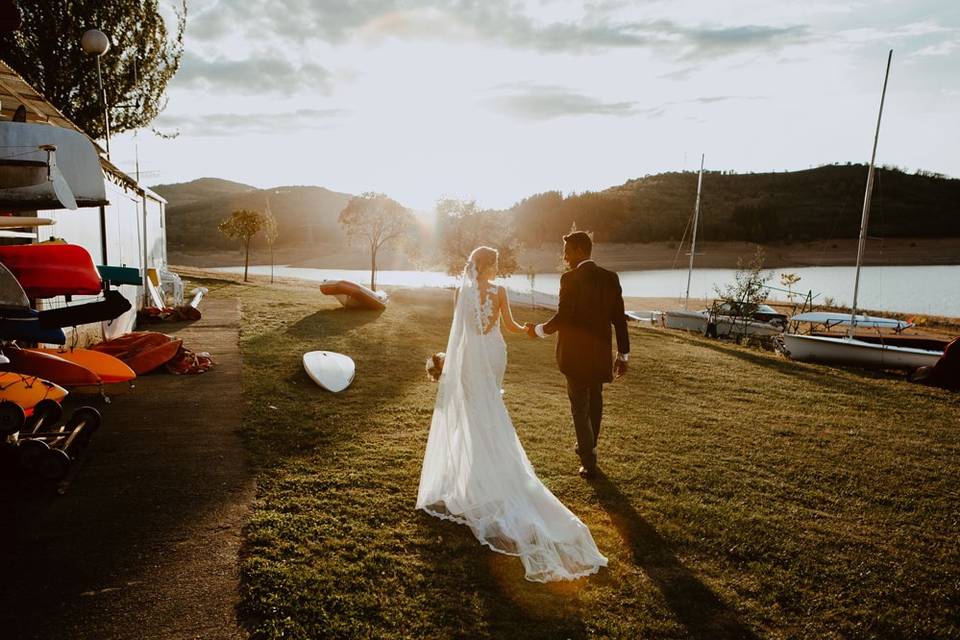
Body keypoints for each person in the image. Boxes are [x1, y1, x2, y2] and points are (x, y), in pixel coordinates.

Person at [417, 245, 608, 582]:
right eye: (496, 263)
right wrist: (532, 330)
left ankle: (475, 480)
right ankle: (489, 475)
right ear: (488, 266)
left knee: (475, 412)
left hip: (472, 358)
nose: (498, 268)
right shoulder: (501, 292)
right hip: (494, 354)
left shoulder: (461, 293)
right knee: (491, 407)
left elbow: (459, 333)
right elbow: (511, 325)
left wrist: (449, 362)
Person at [526, 231, 630, 479]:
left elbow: (564, 316)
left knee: (580, 408)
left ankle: (588, 459)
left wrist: (539, 331)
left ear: (580, 251)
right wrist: (623, 354)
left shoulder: (569, 279)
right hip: (600, 354)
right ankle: (589, 446)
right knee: (595, 401)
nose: (565, 256)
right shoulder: (610, 278)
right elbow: (620, 321)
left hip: (574, 356)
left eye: (568, 251)